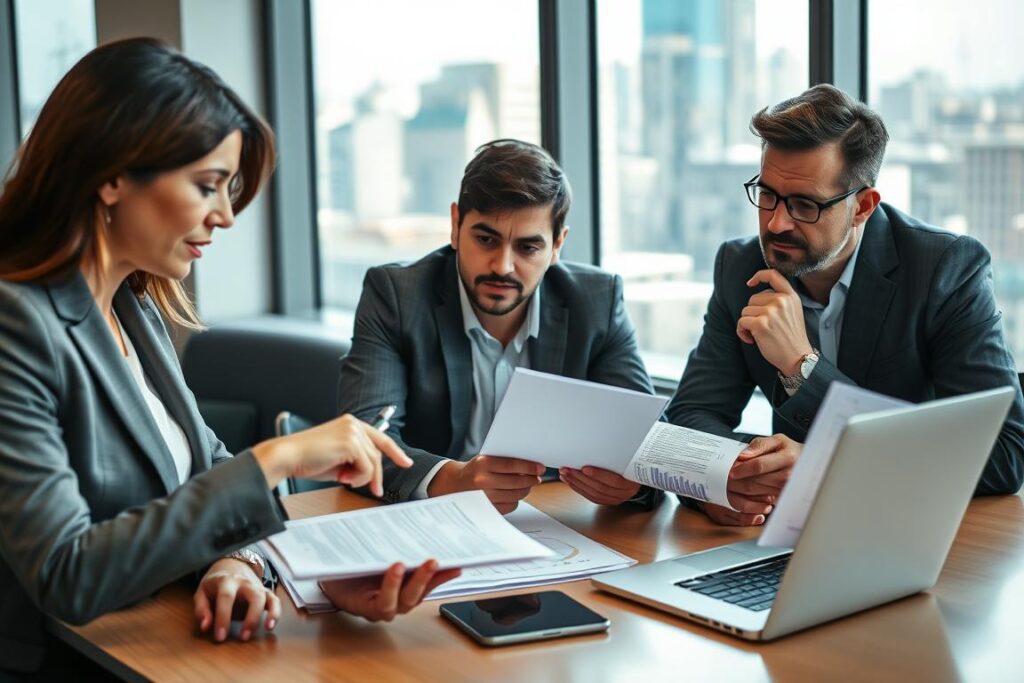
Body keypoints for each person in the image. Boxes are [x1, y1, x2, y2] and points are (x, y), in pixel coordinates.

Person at [0, 38, 458, 675]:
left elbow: (204, 472)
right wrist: (279, 457)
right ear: (111, 175)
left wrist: (264, 567)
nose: (224, 216)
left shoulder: (134, 306)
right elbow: (65, 575)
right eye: (208, 185)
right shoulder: (15, 323)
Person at [666, 83, 1024, 527]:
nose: (777, 222)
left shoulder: (944, 270)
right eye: (768, 195)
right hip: (782, 538)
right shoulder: (739, 267)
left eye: (804, 205)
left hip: (907, 536)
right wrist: (725, 476)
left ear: (863, 207)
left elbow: (1004, 453)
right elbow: (688, 416)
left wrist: (803, 370)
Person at [338, 139, 659, 512]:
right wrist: (453, 479)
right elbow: (365, 440)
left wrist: (633, 487)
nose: (503, 266)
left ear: (557, 245)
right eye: (486, 239)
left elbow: (647, 445)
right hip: (431, 521)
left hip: (556, 525)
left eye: (527, 248)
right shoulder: (397, 295)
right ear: (456, 225)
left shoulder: (597, 301)